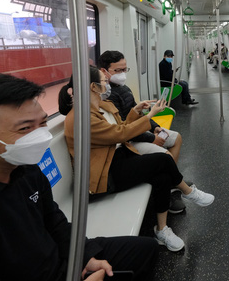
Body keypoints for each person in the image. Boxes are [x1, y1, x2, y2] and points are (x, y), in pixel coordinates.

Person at [0, 74, 158, 280]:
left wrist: (86, 255)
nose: (38, 136)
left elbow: (54, 222)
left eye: (42, 123)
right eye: (25, 128)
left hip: (58, 258)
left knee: (144, 250)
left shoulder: (26, 169)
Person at [59, 67, 214, 252]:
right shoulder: (81, 118)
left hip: (117, 159)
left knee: (162, 176)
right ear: (93, 86)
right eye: (104, 81)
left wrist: (135, 111)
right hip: (104, 175)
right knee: (163, 161)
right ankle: (187, 191)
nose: (107, 83)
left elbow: (121, 126)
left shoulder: (102, 107)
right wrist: (149, 116)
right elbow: (119, 134)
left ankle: (162, 229)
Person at [98, 50, 182, 163]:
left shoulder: (124, 88)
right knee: (166, 157)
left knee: (176, 138)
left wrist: (155, 127)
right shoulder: (108, 95)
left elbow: (139, 115)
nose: (122, 74)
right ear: (104, 71)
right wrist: (152, 138)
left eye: (124, 69)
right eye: (118, 70)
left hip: (138, 130)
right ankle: (171, 177)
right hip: (128, 140)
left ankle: (171, 177)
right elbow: (123, 128)